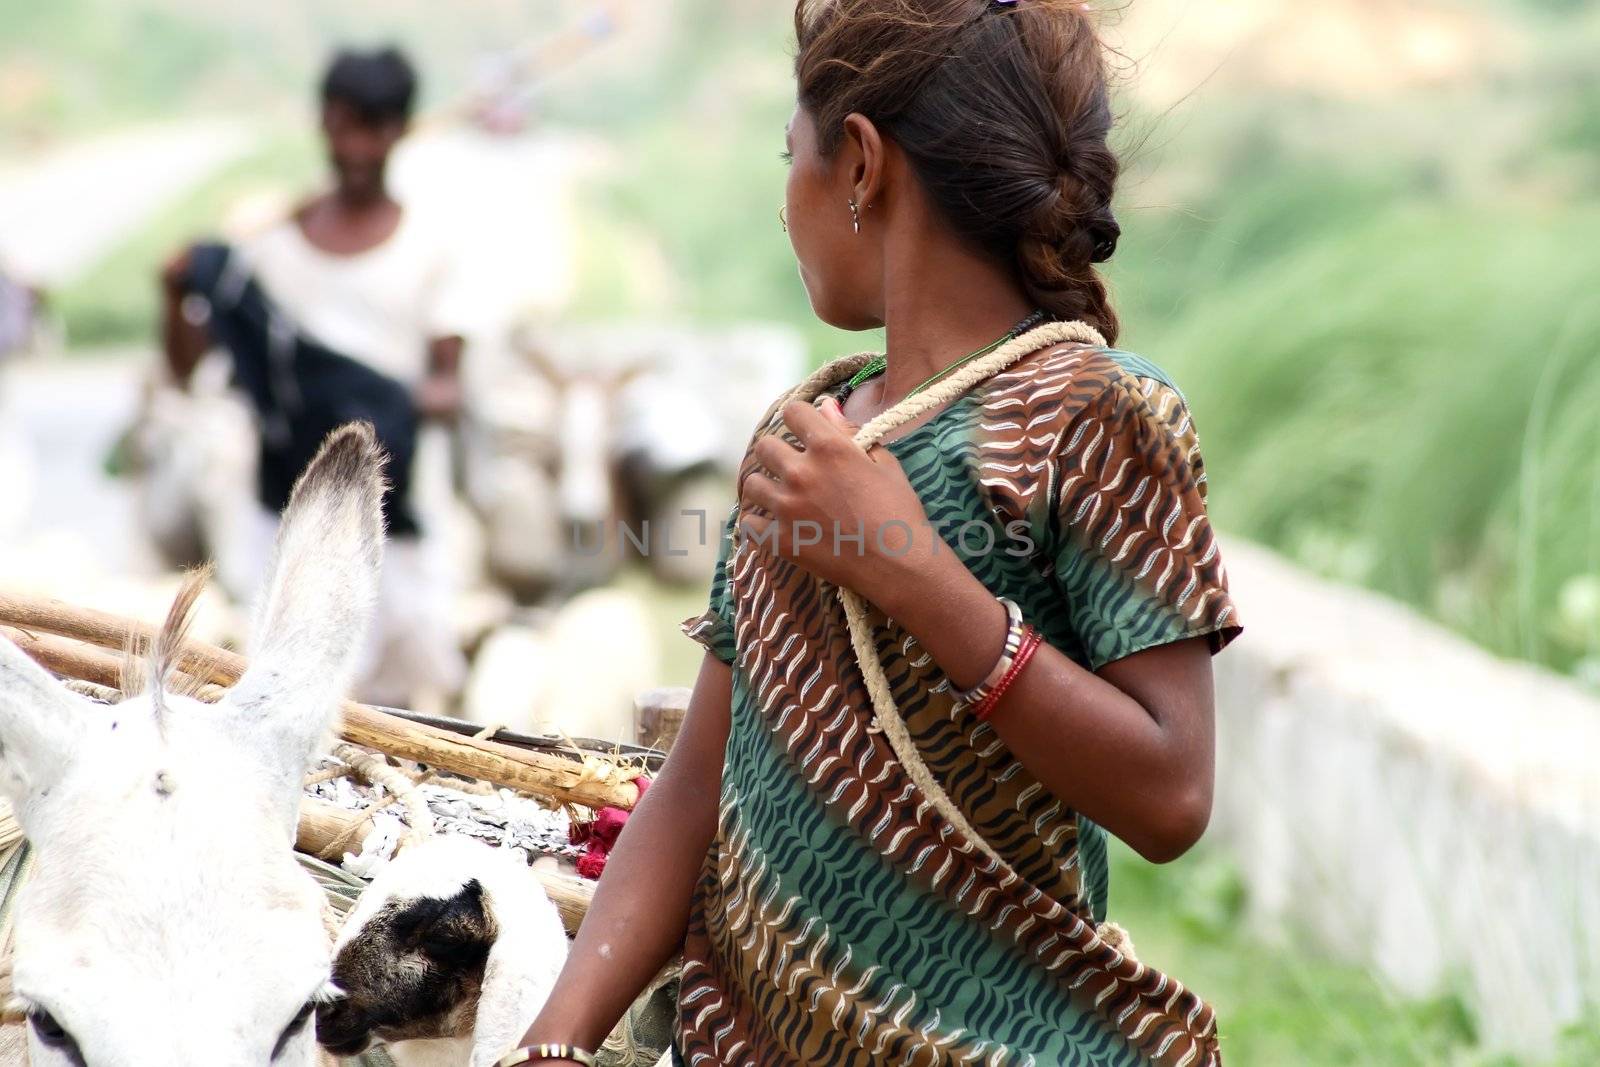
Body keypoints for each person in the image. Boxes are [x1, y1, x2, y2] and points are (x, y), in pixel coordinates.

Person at [510, 1, 1243, 1064]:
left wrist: (909, 570)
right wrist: (551, 1043)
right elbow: (694, 788)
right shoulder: (801, 440)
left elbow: (1172, 793)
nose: (781, 200)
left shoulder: (1096, 413)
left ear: (860, 163)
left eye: (788, 156)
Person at [159, 45, 468, 710]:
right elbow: (191, 369)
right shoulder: (269, 251)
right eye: (341, 126)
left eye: (372, 128)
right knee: (274, 685)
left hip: (389, 523)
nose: (355, 146)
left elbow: (448, 386)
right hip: (279, 513)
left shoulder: (430, 249)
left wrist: (374, 405)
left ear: (400, 131)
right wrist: (175, 291)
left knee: (399, 700)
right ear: (323, 125)